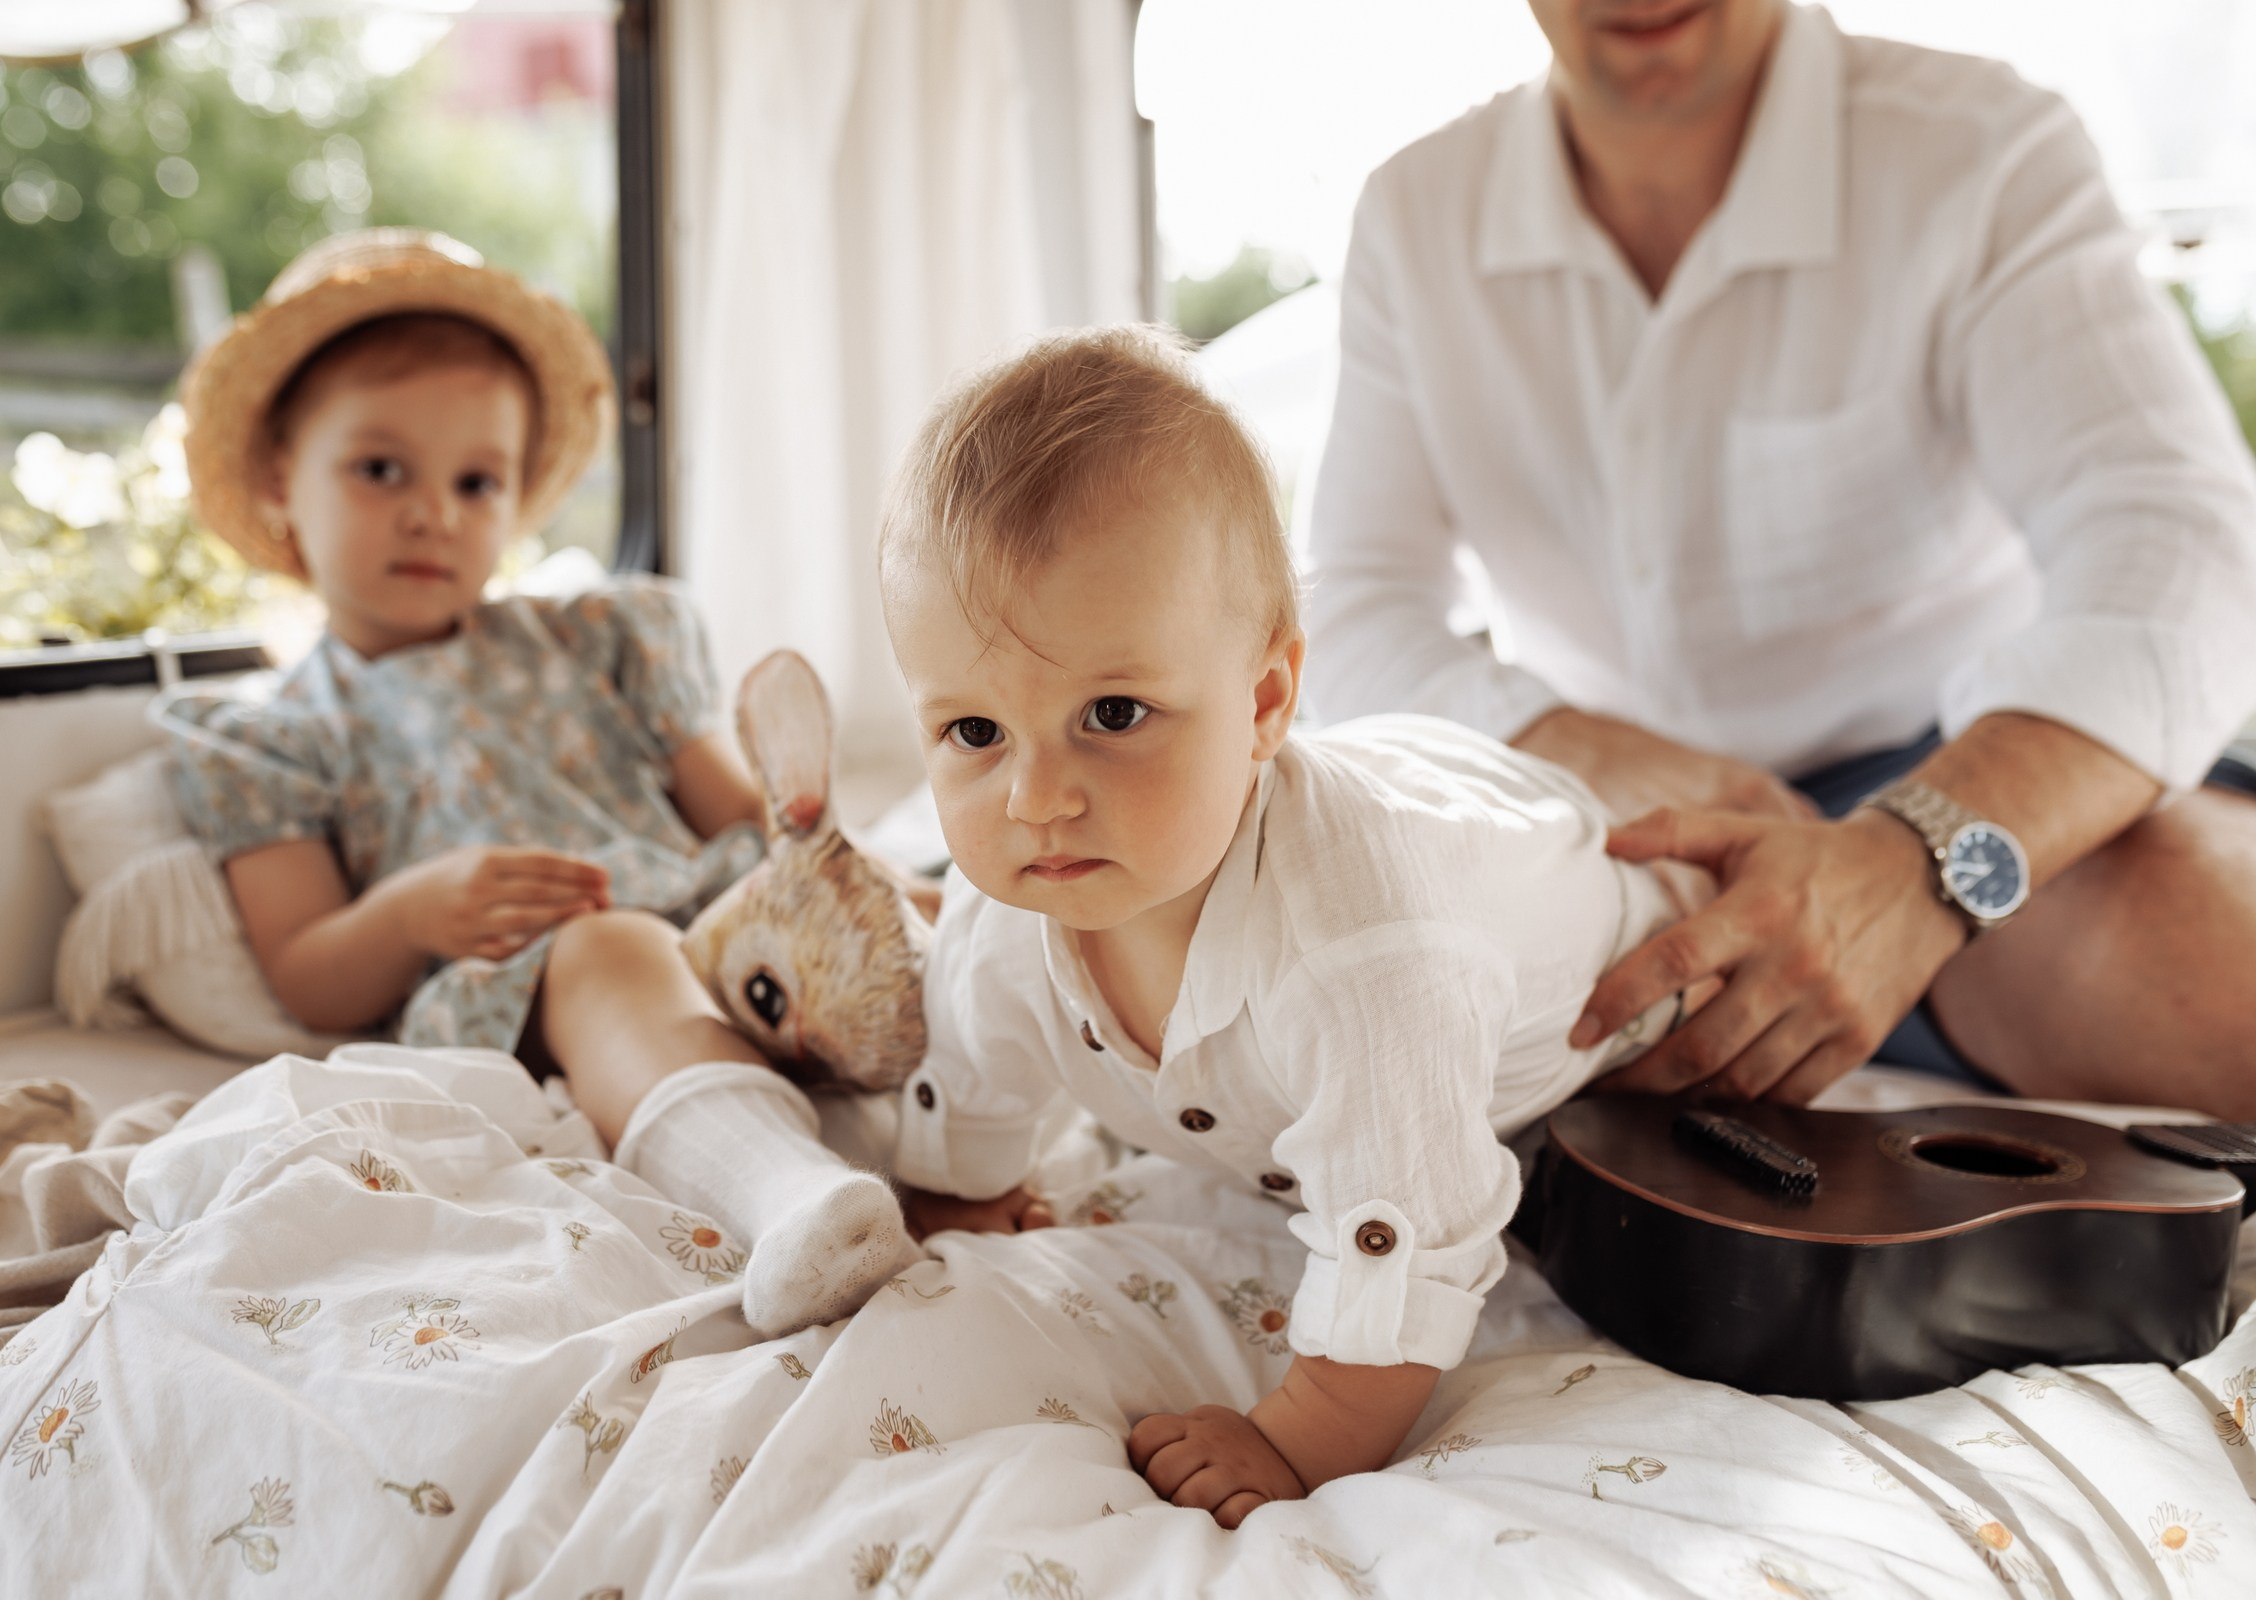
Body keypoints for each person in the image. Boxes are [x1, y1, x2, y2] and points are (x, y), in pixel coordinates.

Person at [1307, 0, 2256, 1115]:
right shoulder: (1415, 213)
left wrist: (1907, 862)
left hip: (1956, 783)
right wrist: (1558, 743)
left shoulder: (1983, 149)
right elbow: (1352, 599)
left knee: (2219, 971)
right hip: (1603, 820)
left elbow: (2177, 535)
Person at [877, 325, 1695, 1526]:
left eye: (1112, 711)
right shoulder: (1008, 917)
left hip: (1590, 908)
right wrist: (959, 1193)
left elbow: (1414, 1236)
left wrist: (1297, 1440)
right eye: (973, 732)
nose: (1034, 798)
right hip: (1392, 784)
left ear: (1265, 699)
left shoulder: (1369, 960)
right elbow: (976, 1075)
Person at [158, 228, 917, 1334]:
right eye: (381, 469)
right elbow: (308, 975)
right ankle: (788, 1195)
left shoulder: (596, 640)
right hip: (544, 979)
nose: (435, 512)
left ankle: (1006, 1128)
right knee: (613, 946)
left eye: (478, 480)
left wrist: (837, 887)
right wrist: (415, 909)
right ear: (283, 475)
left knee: (907, 901)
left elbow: (754, 825)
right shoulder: (280, 733)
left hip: (725, 930)